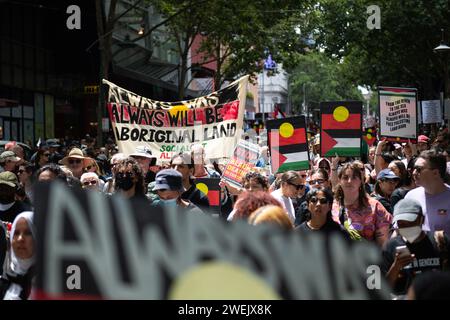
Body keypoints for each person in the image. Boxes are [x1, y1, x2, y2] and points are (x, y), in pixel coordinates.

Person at [381, 199, 450, 297]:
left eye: (410, 223)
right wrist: (396, 267)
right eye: (401, 224)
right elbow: (383, 288)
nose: (406, 228)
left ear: (421, 219)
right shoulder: (391, 247)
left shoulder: (440, 241)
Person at [332, 162, 392, 246]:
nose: (349, 181)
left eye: (354, 178)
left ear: (361, 181)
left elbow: (383, 245)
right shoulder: (330, 206)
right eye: (345, 177)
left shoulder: (375, 207)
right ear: (339, 181)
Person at [405, 150, 450, 234]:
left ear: (435, 173)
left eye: (419, 169)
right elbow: (399, 231)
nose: (414, 173)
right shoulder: (410, 196)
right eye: (414, 169)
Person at [0, 211, 35, 300]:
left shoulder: (47, 284)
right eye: (16, 233)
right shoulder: (6, 280)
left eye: (27, 233)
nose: (20, 239)